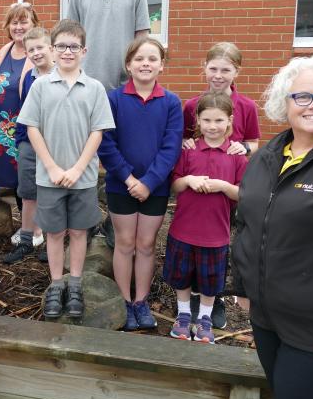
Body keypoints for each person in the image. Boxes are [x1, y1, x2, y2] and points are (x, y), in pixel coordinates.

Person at [232, 55, 313, 399]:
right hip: (267, 319)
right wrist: (243, 284)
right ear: (286, 102)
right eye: (302, 96)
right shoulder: (268, 156)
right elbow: (249, 223)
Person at [18, 19, 115, 319]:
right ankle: (56, 284)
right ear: (52, 49)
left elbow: (97, 132)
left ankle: (75, 284)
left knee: (78, 231)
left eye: (73, 46)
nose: (67, 51)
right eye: (61, 46)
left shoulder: (95, 88)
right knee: (55, 232)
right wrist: (51, 166)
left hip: (82, 178)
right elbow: (32, 128)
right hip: (49, 177)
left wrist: (76, 169)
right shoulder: (41, 86)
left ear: (84, 51)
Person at [98, 37, 183, 330]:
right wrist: (129, 178)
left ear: (161, 65)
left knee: (146, 244)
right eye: (139, 59)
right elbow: (106, 144)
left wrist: (148, 182)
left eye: (152, 59)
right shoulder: (114, 99)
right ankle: (124, 299)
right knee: (124, 242)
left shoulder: (171, 102)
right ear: (128, 64)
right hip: (121, 184)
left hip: (155, 187)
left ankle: (141, 301)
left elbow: (171, 147)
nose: (145, 63)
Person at [181, 41, 261, 328]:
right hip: (197, 190)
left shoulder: (247, 106)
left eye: (225, 69)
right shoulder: (192, 105)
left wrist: (244, 149)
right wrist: (185, 141)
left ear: (236, 71)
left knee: (220, 246)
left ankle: (214, 300)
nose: (218, 75)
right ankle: (189, 298)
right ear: (204, 68)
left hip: (228, 190)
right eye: (213, 68)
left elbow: (253, 142)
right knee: (191, 243)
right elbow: (183, 139)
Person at [165, 92, 247, 344]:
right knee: (181, 275)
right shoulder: (188, 151)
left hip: (215, 234)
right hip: (183, 229)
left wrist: (222, 185)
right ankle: (183, 315)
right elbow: (176, 186)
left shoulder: (236, 156)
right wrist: (188, 180)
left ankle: (204, 319)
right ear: (197, 121)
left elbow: (243, 194)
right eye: (207, 120)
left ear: (229, 121)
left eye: (219, 120)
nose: (213, 126)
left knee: (210, 281)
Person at [3, 27, 54, 264]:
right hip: (27, 141)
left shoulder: (60, 75)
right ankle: (26, 239)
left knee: (52, 192)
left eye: (40, 47)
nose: (35, 53)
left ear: (51, 48)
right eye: (31, 49)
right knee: (27, 191)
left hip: (54, 142)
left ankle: (51, 238)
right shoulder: (29, 76)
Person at [0, 3, 37, 197]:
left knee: (24, 184)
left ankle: (30, 225)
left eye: (24, 22)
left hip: (22, 130)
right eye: (14, 22)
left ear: (34, 24)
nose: (18, 27)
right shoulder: (4, 51)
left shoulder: (37, 53)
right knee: (1, 179)